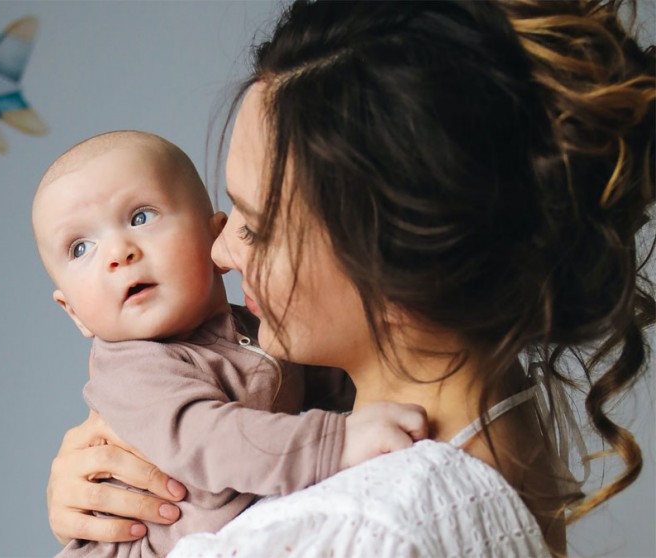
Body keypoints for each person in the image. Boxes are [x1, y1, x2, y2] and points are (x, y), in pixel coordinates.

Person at [45, 1, 655, 556]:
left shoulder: (356, 530)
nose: (222, 252)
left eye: (254, 227)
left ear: (393, 266)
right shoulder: (503, 416)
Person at [33, 130, 429, 557]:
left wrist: (405, 372)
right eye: (80, 247)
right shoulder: (134, 370)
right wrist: (336, 441)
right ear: (72, 311)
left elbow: (326, 377)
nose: (118, 252)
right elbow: (212, 440)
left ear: (216, 238)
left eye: (141, 217)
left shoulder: (250, 328)